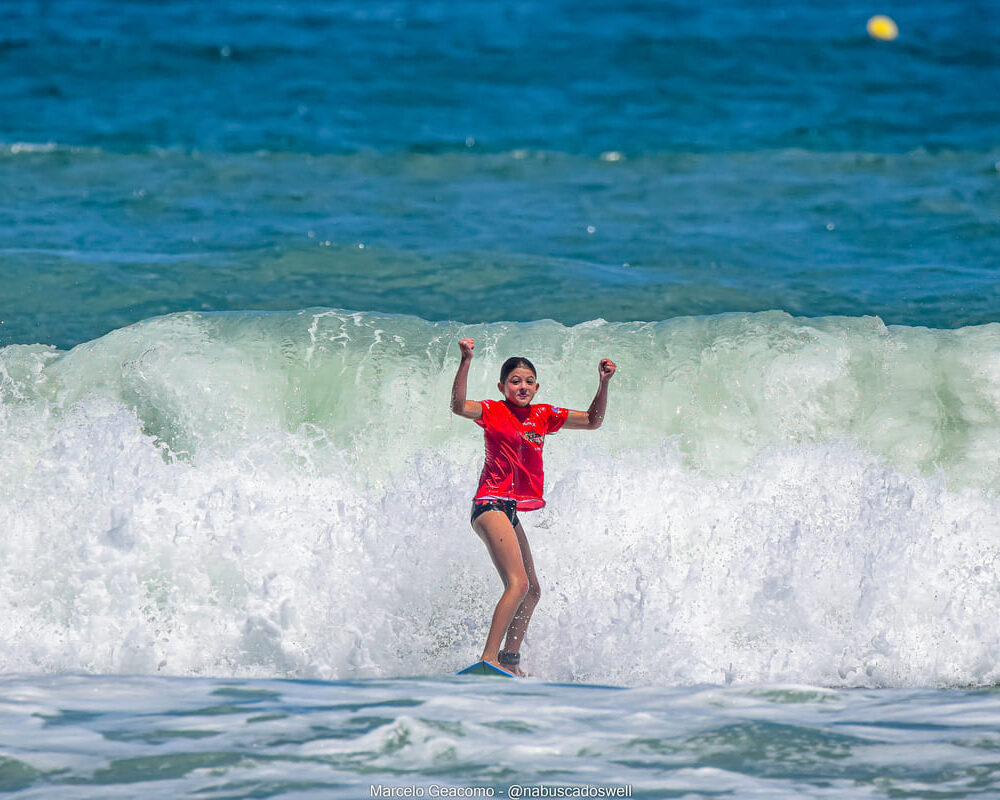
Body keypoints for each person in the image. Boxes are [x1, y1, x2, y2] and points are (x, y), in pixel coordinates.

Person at [450, 337, 617, 676]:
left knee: (533, 590)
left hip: (509, 508)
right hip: (489, 503)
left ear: (536, 387)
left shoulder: (543, 416)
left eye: (528, 381)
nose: (522, 386)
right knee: (518, 584)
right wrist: (466, 360)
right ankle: (489, 658)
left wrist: (603, 384)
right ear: (502, 386)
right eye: (514, 381)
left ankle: (510, 661)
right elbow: (457, 406)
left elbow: (592, 420)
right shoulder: (492, 410)